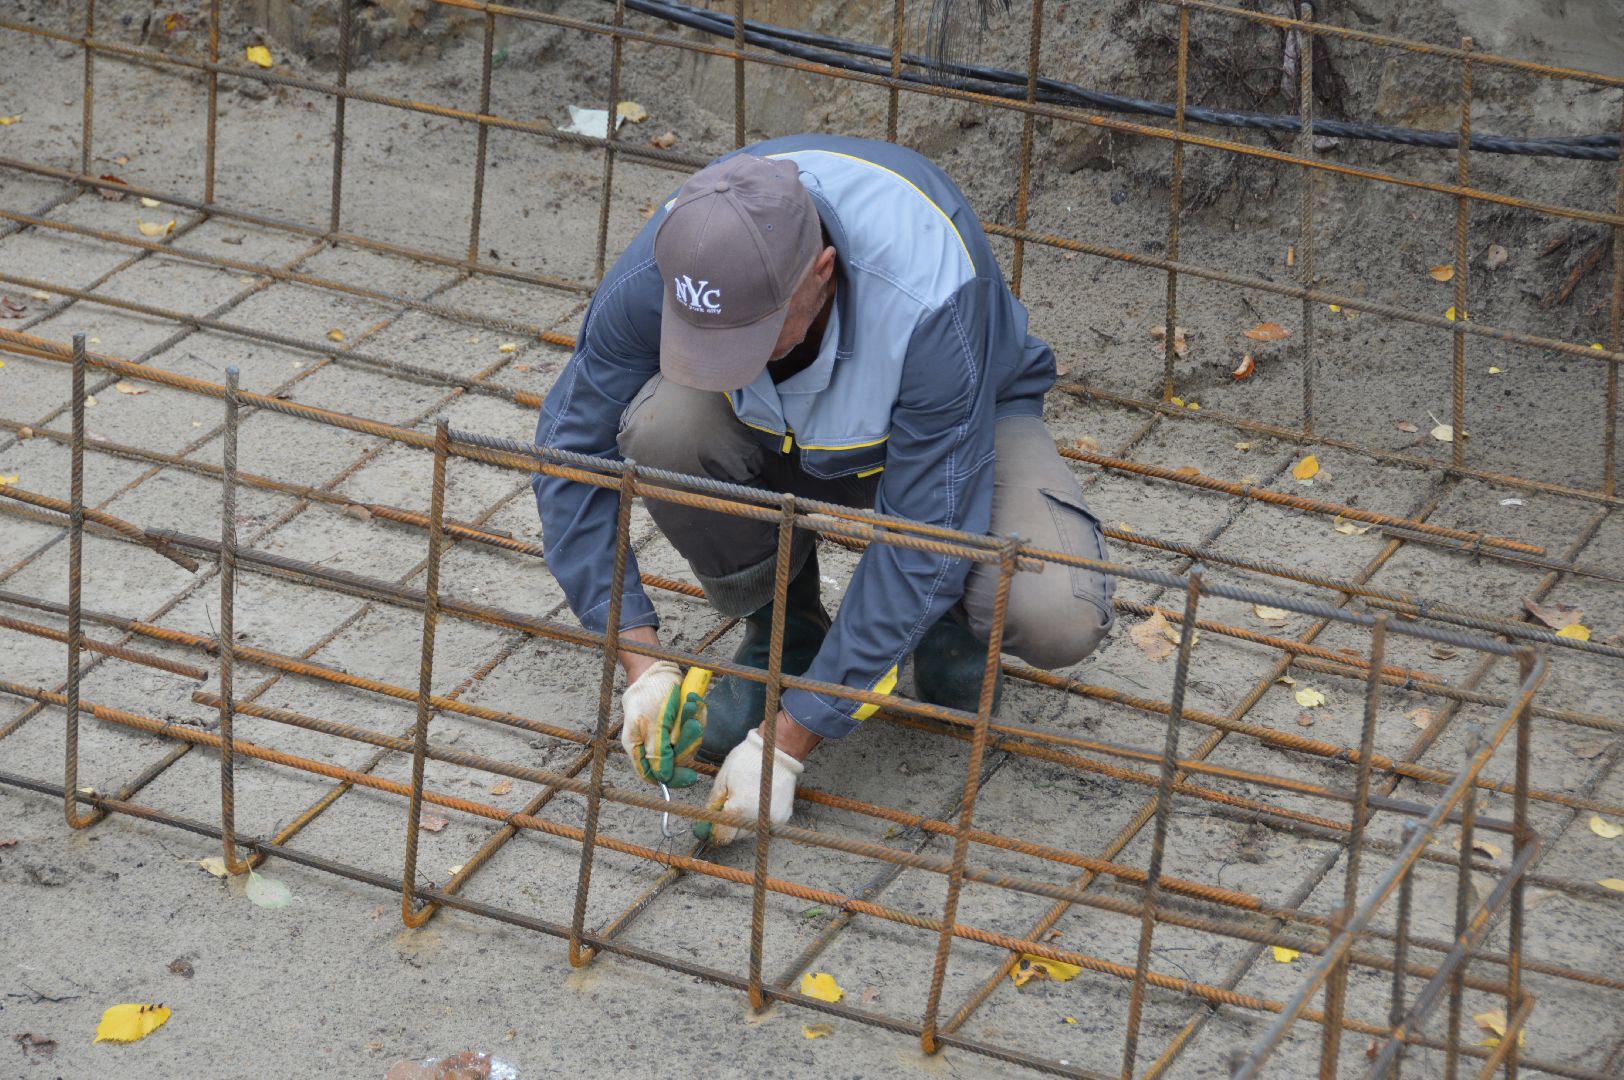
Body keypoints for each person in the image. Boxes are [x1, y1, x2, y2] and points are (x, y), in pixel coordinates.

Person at [532, 133, 1114, 843]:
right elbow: (569, 448)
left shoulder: (931, 293)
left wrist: (784, 747)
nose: (725, 358)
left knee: (1058, 609)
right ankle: (786, 627)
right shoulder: (682, 257)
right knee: (662, 426)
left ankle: (942, 626)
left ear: (821, 273)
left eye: (751, 335)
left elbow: (923, 537)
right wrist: (640, 660)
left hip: (954, 435)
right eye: (706, 338)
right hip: (778, 431)